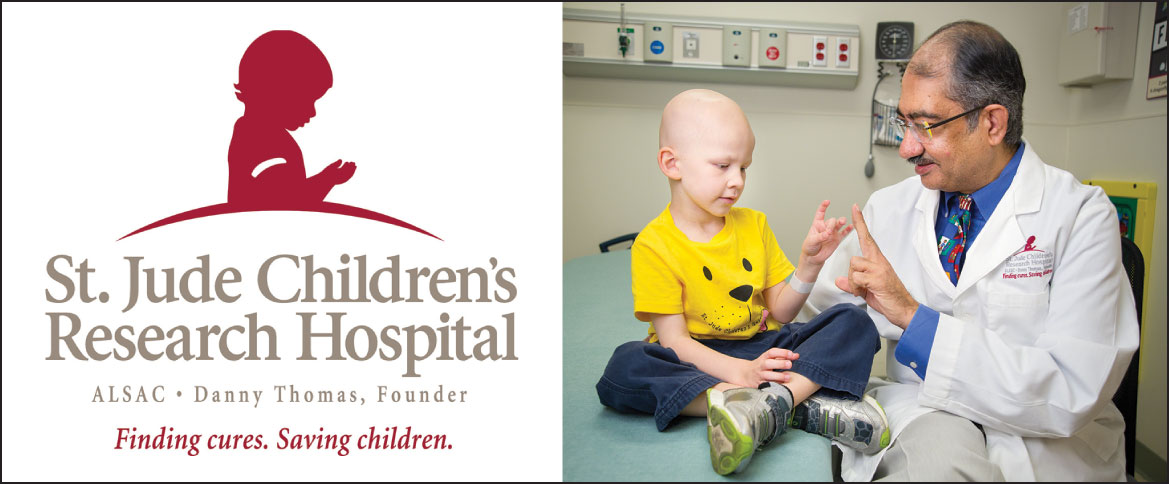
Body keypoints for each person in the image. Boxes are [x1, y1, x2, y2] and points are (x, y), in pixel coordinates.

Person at [803, 21, 1140, 481]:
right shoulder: (889, 210)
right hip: (924, 428)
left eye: (925, 126)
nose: (905, 147)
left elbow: (1070, 389)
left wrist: (911, 316)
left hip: (1049, 454)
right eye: (905, 122)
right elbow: (817, 321)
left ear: (992, 123)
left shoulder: (1080, 217)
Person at [595, 89, 890, 476]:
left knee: (854, 322)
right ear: (672, 163)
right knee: (626, 366)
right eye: (723, 166)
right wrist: (739, 375)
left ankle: (771, 406)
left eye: (744, 168)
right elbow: (674, 341)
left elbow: (782, 313)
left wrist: (808, 265)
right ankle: (785, 404)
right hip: (695, 358)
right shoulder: (654, 244)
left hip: (762, 346)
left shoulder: (754, 225)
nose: (737, 181)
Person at [228, 30, 356, 207]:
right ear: (274, 93)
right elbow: (288, 203)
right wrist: (328, 180)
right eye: (307, 100)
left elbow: (290, 194)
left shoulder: (248, 131)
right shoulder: (266, 145)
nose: (312, 112)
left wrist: (326, 179)